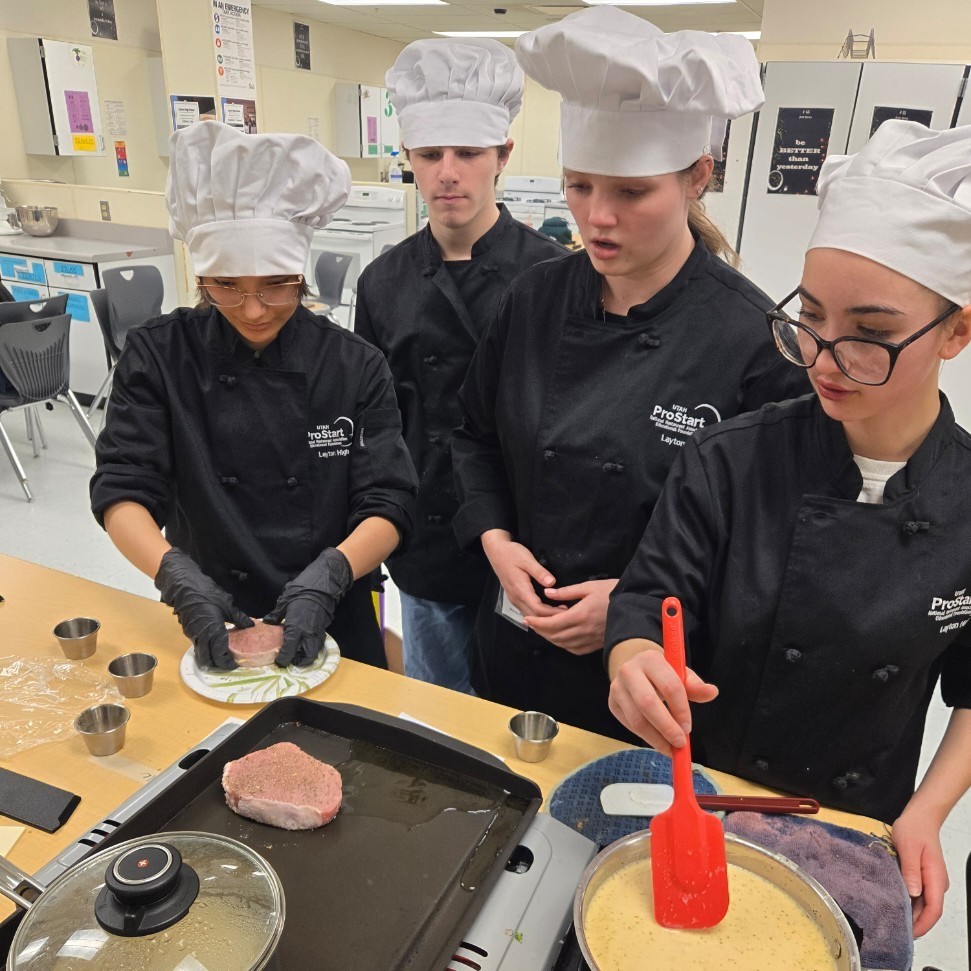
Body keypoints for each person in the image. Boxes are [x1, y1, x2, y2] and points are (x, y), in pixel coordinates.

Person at [606, 120, 971, 936]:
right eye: (808, 317)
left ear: (957, 330)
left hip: (853, 822)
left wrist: (926, 812)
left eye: (870, 335)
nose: (825, 360)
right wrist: (632, 662)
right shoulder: (731, 458)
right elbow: (646, 597)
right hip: (706, 798)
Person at [451, 6, 809, 738]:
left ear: (696, 177)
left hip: (650, 679)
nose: (596, 218)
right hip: (513, 643)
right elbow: (471, 434)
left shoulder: (753, 342)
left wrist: (632, 603)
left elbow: (775, 548)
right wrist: (493, 539)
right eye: (579, 186)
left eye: (629, 192)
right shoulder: (534, 298)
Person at [91, 121, 417, 671]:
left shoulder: (354, 364)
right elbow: (123, 488)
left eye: (275, 284)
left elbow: (390, 501)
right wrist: (174, 576)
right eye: (227, 287)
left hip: (335, 612)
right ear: (201, 280)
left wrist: (332, 574)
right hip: (211, 610)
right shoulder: (160, 356)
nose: (254, 309)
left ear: (301, 274)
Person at [354, 40, 564, 692]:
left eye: (468, 153)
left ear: (501, 156)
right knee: (438, 708)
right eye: (429, 154)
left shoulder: (553, 278)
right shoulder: (382, 280)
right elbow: (372, 425)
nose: (448, 172)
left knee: (525, 713)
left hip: (530, 541)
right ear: (409, 161)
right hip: (427, 539)